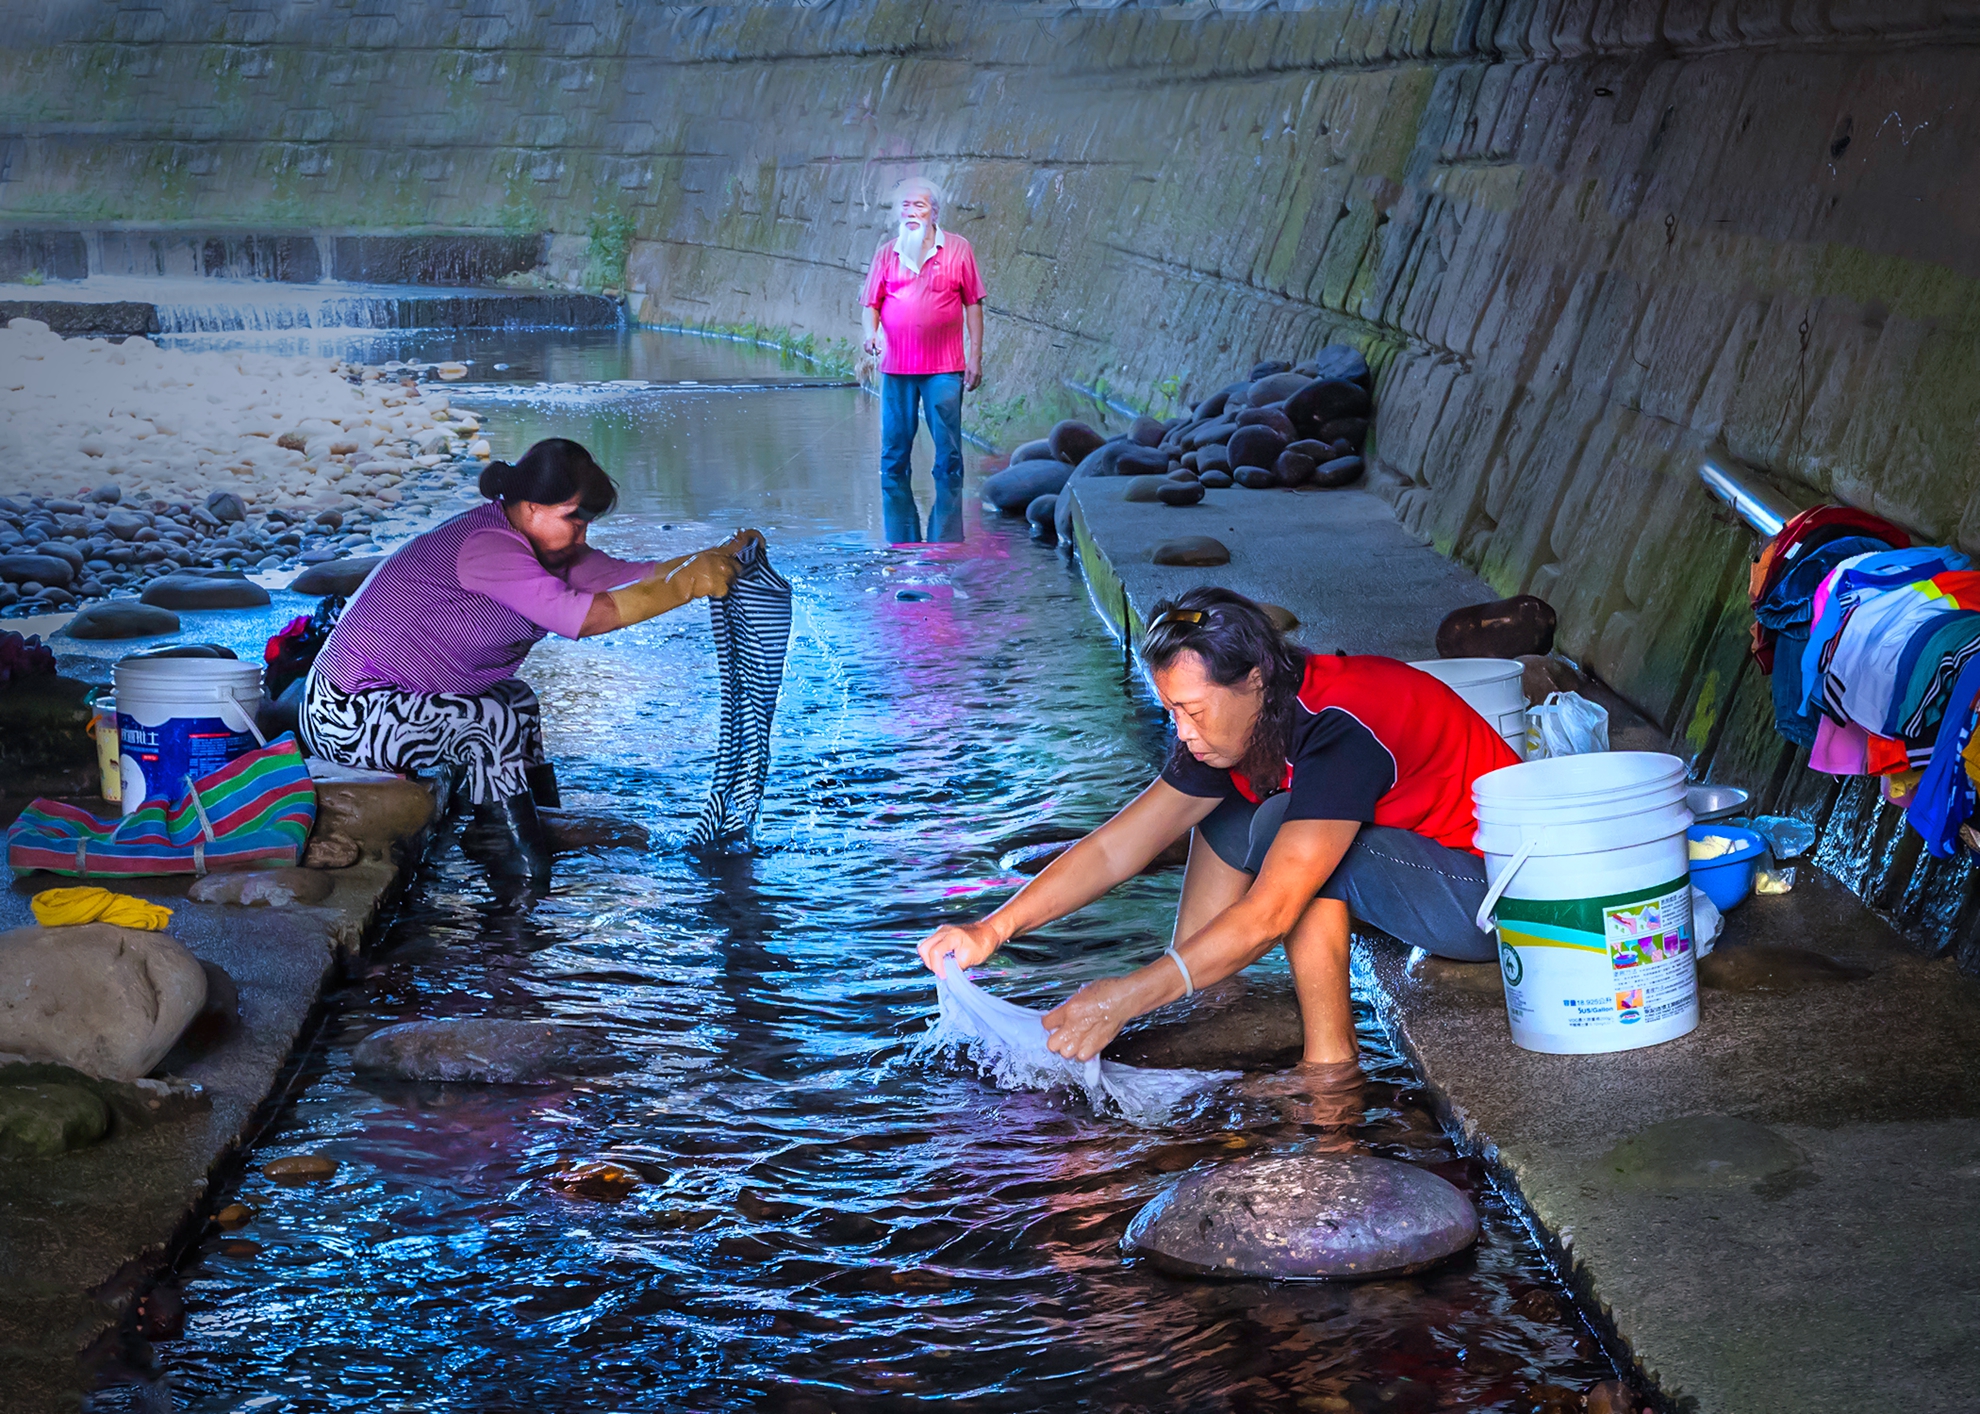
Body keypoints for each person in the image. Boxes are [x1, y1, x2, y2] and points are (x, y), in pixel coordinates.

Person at [915, 586, 1520, 1069]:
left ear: (1254, 679)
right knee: (1225, 805)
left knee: (1290, 833)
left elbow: (1272, 913)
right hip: (1424, 872)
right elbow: (1116, 848)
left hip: (1492, 903)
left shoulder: (1339, 724)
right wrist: (992, 930)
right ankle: (1208, 993)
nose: (1180, 731)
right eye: (1170, 710)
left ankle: (1331, 1068)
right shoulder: (1240, 726)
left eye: (1193, 711)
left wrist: (1127, 997)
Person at [301, 437, 760, 895]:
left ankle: (538, 822)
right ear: (529, 507)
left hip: (395, 702)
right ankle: (514, 865)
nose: (582, 535)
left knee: (517, 699)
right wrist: (686, 587)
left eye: (587, 523)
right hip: (346, 712)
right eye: (572, 519)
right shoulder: (489, 547)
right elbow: (578, 617)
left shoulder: (550, 549)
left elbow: (634, 577)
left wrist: (711, 559)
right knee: (489, 720)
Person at [860, 177, 985, 545]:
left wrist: (975, 355)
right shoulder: (887, 253)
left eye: (920, 206)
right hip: (896, 368)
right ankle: (902, 547)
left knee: (948, 457)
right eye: (906, 207)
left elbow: (973, 304)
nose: (912, 212)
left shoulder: (959, 250)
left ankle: (944, 547)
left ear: (935, 213)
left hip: (944, 369)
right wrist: (870, 334)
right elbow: (871, 304)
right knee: (894, 455)